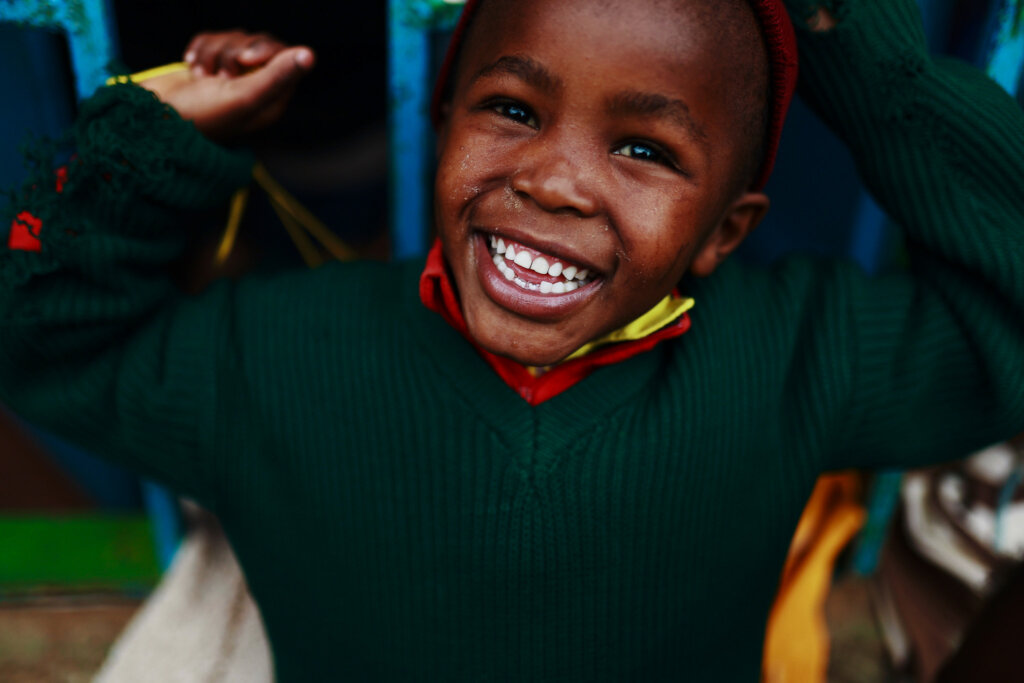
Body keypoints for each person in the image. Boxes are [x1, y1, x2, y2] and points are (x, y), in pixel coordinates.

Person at [1, 0, 1022, 680]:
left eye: (642, 148)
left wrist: (868, 64)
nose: (551, 178)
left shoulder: (793, 354)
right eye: (511, 108)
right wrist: (150, 145)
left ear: (725, 230)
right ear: (443, 122)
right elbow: (42, 342)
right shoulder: (285, 352)